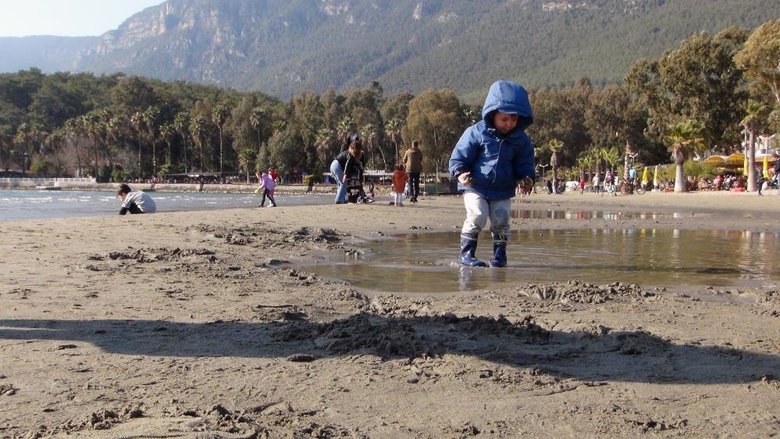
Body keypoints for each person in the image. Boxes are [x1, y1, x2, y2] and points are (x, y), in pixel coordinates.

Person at [448, 80, 535, 267]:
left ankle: (499, 257)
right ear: (492, 113)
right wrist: (460, 173)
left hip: (503, 190)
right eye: (504, 119)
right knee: (477, 215)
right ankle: (467, 255)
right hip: (475, 187)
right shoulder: (476, 133)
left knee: (501, 220)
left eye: (514, 119)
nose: (509, 124)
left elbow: (525, 164)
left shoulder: (521, 140)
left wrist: (526, 178)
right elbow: (459, 157)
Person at [330, 133, 366, 204]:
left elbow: (355, 164)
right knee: (344, 184)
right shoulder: (350, 155)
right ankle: (339, 200)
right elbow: (348, 164)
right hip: (337, 166)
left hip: (333, 165)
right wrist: (345, 175)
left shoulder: (350, 153)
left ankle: (341, 199)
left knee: (340, 184)